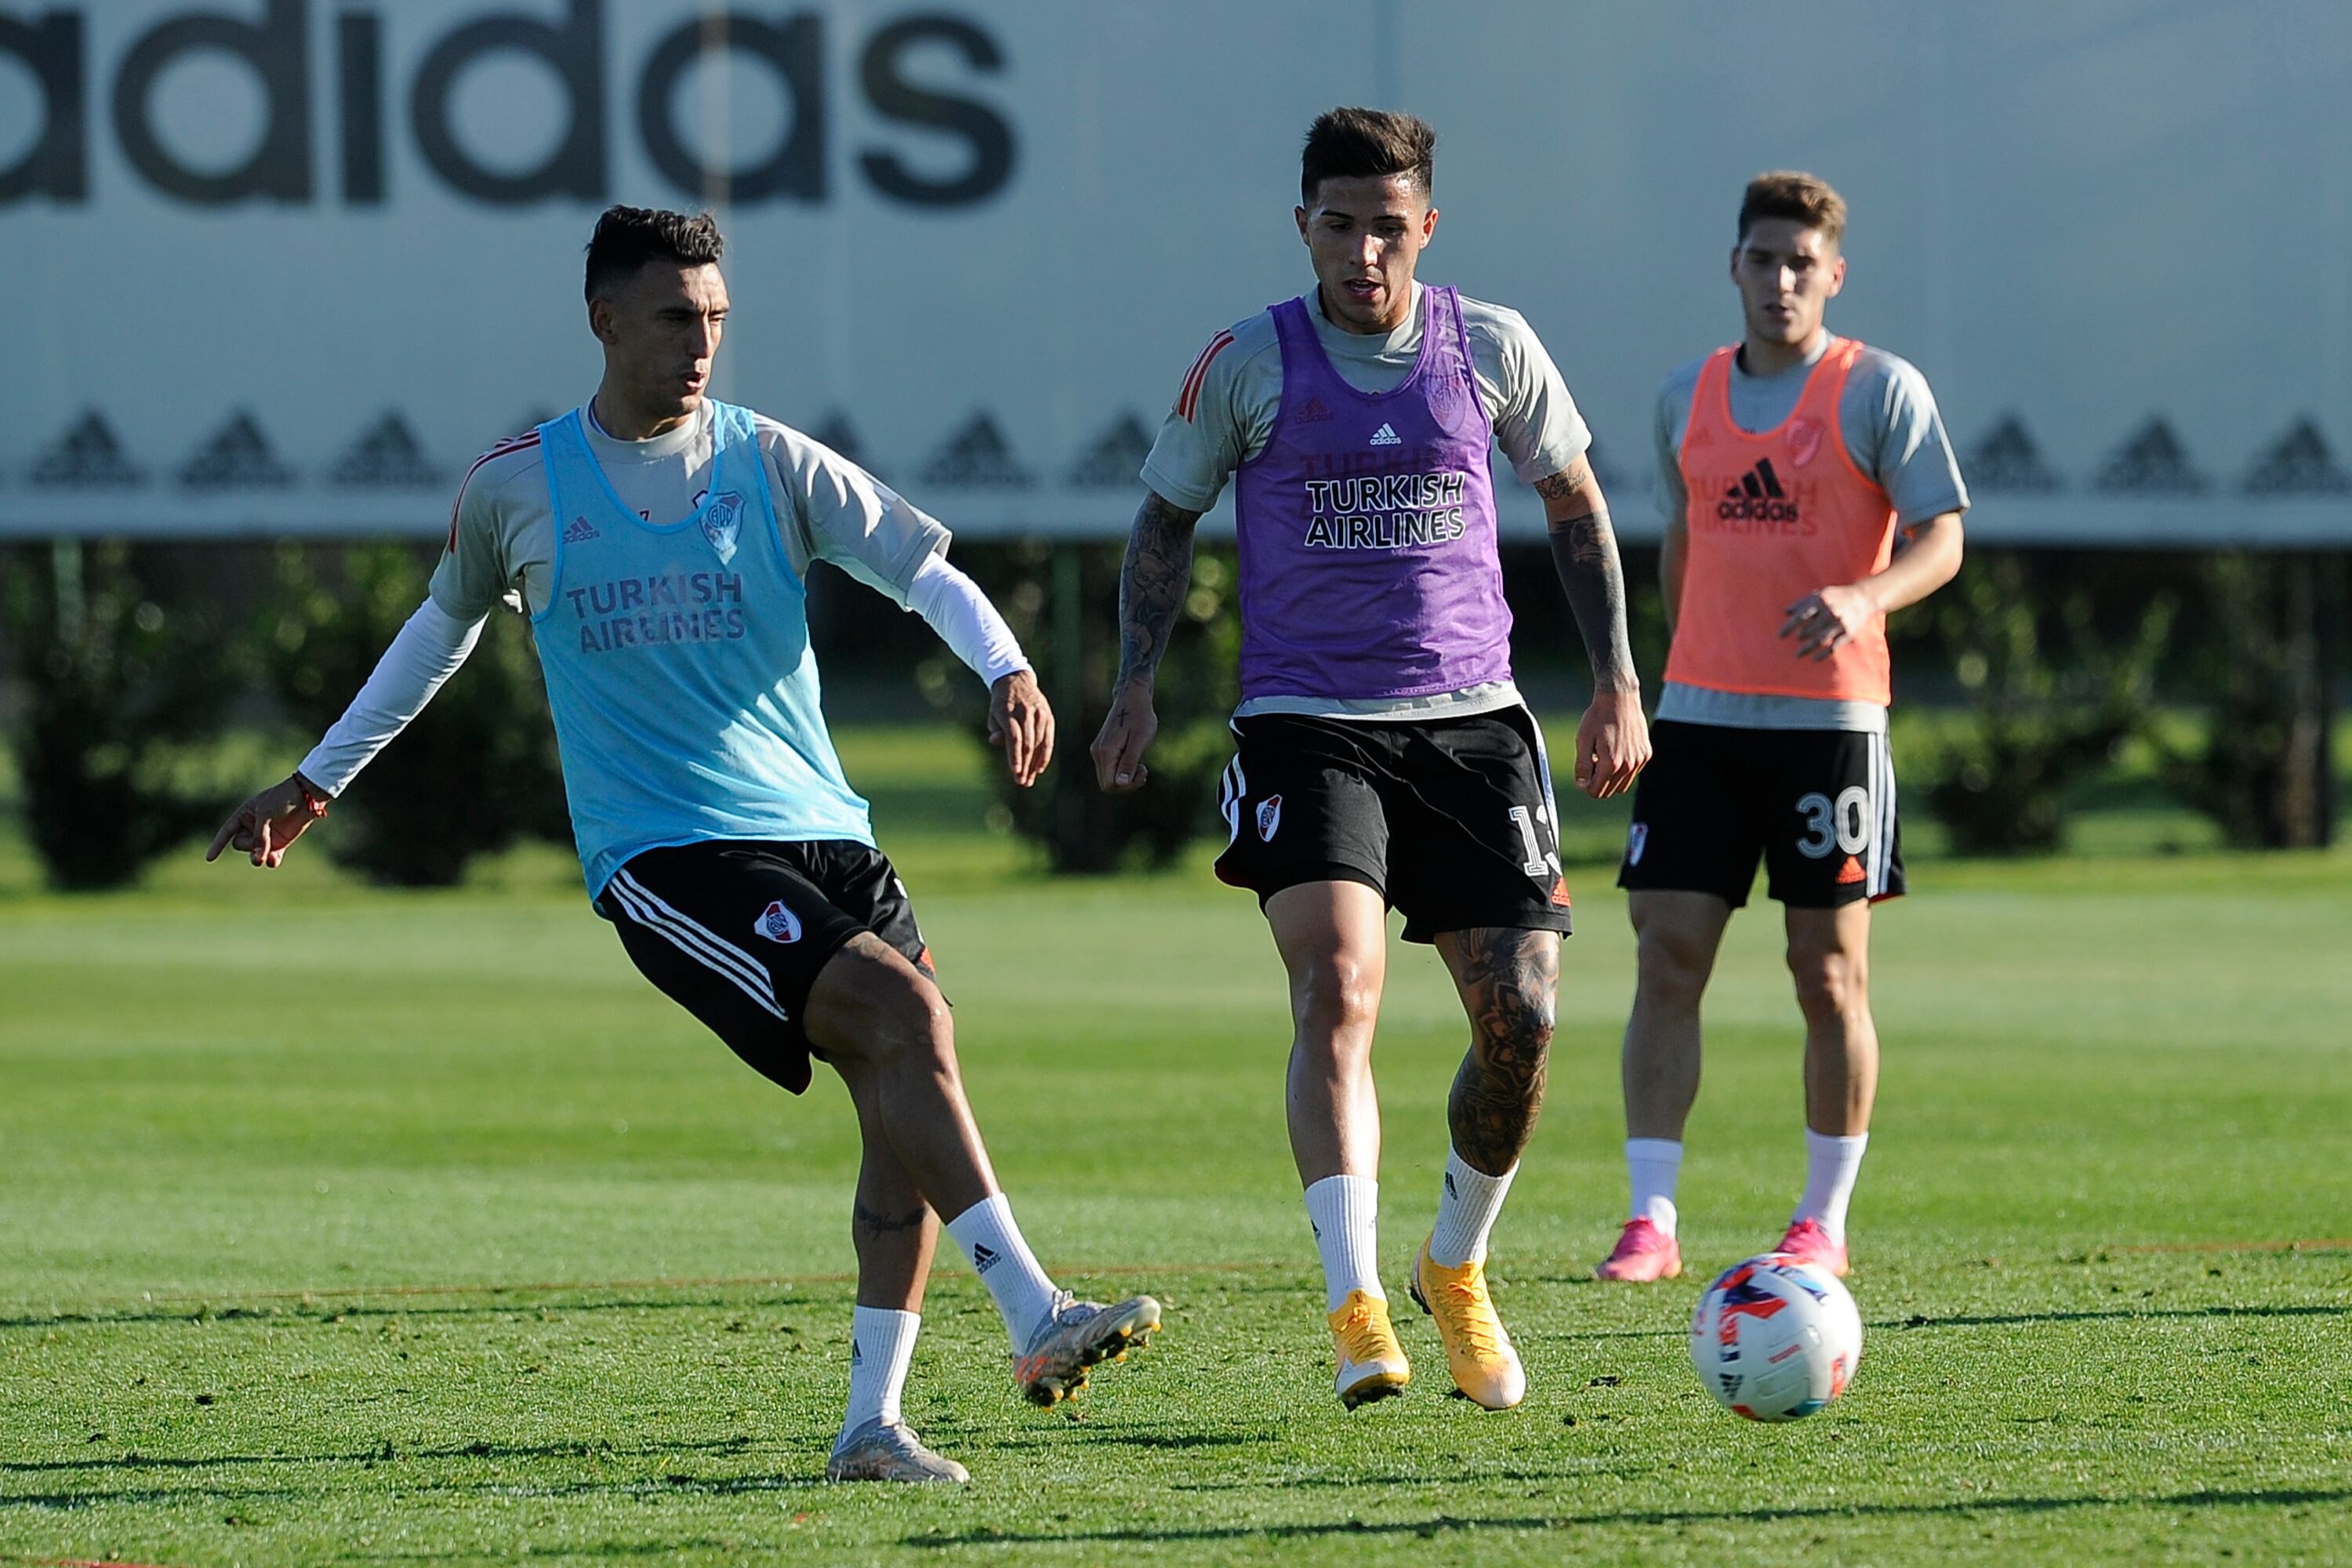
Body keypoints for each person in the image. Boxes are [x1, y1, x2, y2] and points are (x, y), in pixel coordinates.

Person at [208, 206, 1161, 1484]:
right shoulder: (519, 487)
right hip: (670, 857)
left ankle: (870, 1426)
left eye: (715, 316)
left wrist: (1008, 666)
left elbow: (920, 565)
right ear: (603, 319)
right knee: (911, 1026)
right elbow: (437, 635)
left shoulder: (769, 459)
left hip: (830, 836)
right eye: (672, 317)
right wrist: (318, 779)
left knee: (900, 1111)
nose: (700, 341)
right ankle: (1036, 1316)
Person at [1091, 109, 1649, 1412]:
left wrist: (1619, 680)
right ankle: (1353, 1302)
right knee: (1337, 987)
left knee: (1525, 1019)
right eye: (1339, 225)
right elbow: (1163, 522)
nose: (1365, 252)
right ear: (1305, 228)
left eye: (1389, 226)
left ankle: (1454, 1269)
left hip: (1473, 725)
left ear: (1427, 229)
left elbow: (1576, 508)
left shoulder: (1492, 346)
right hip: (1306, 722)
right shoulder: (1246, 361)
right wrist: (1131, 688)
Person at [1595, 172, 1967, 1285]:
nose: (1781, 279)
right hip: (1700, 720)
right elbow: (1679, 543)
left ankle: (1823, 1218)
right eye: (1764, 258)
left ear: (1833, 276)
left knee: (1828, 973)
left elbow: (1943, 537)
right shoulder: (1688, 396)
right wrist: (1670, 665)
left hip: (1830, 725)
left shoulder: (1878, 391)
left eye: (1802, 262)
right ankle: (1651, 1218)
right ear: (1736, 268)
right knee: (1667, 955)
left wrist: (1863, 597)